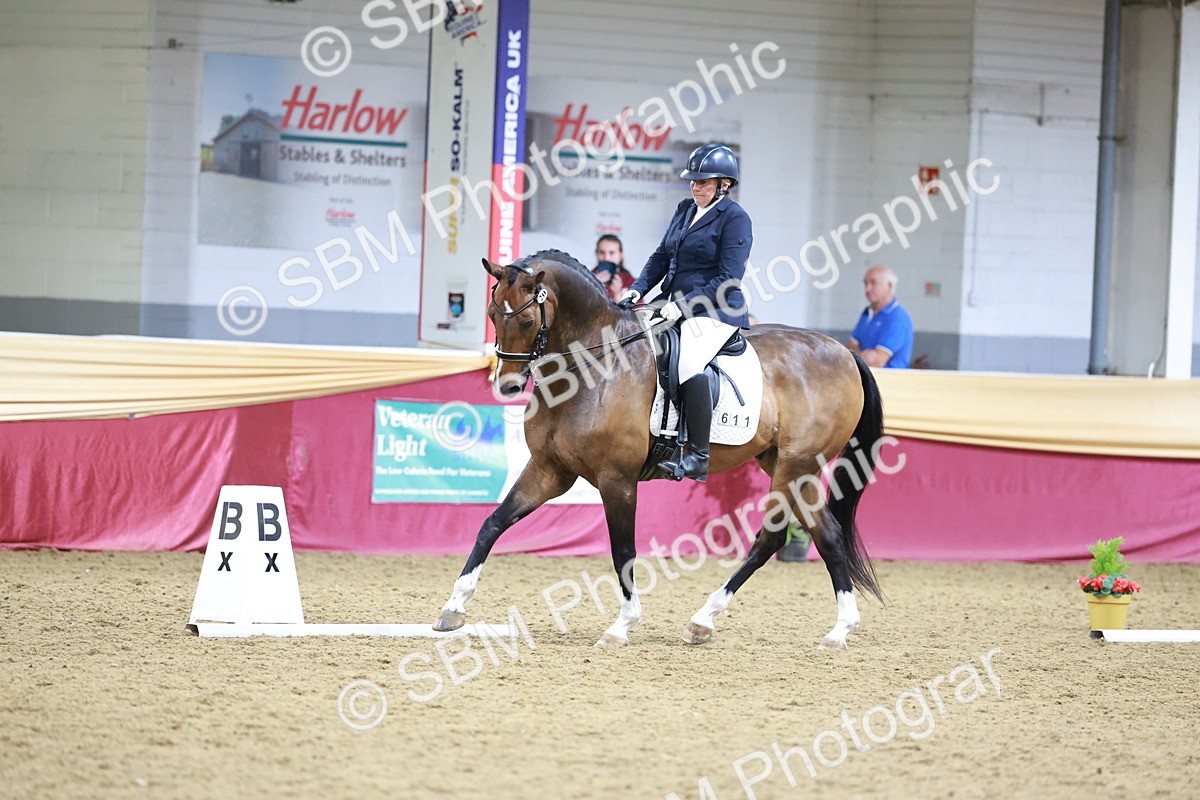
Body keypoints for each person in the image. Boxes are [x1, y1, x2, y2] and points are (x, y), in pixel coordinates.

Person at [618, 143, 751, 482]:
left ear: (724, 184)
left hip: (715, 309)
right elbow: (661, 256)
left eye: (703, 182)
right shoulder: (684, 209)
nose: (695, 187)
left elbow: (729, 278)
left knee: (690, 362)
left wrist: (684, 305)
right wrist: (638, 288)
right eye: (692, 181)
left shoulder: (735, 219)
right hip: (671, 301)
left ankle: (697, 455)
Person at [847, 265, 913, 369]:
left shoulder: (898, 318)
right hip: (868, 381)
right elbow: (849, 347)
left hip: (890, 383)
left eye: (873, 283)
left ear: (889, 286)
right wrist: (864, 356)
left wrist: (857, 355)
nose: (867, 289)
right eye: (866, 283)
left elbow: (877, 361)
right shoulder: (867, 312)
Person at [592, 234, 635, 302]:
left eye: (612, 253)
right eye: (602, 252)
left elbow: (638, 311)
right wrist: (593, 285)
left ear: (620, 255)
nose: (606, 258)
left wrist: (617, 295)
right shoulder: (585, 277)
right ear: (596, 253)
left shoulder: (631, 283)